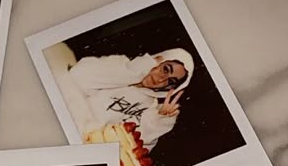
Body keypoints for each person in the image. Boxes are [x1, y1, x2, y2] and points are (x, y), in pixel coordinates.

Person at [67, 47, 195, 147]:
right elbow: (77, 77)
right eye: (165, 69)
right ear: (158, 60)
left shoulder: (151, 108)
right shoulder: (120, 63)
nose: (162, 79)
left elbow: (131, 146)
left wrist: (158, 121)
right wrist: (135, 71)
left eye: (171, 81)